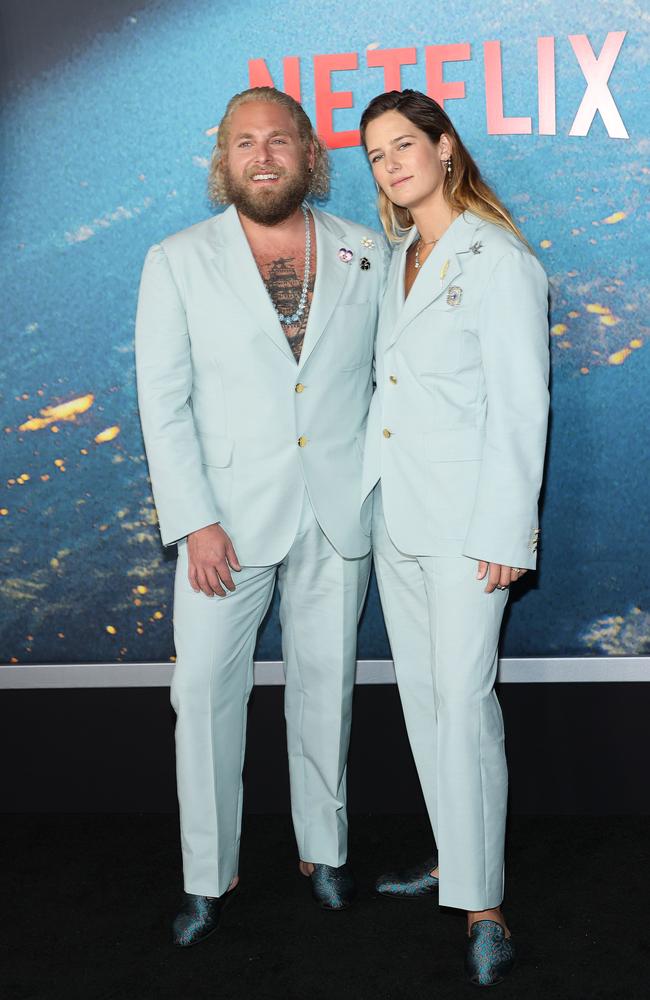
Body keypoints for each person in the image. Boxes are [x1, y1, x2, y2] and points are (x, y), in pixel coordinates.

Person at [135, 86, 387, 947]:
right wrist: (193, 521)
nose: (264, 154)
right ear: (225, 160)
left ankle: (326, 852)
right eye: (245, 142)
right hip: (223, 526)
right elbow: (162, 405)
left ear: (310, 153)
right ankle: (209, 876)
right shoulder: (176, 260)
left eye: (280, 139)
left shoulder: (366, 251)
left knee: (329, 687)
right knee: (203, 692)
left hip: (337, 509)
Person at [359, 89, 550, 986]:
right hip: (399, 515)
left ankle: (485, 907)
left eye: (403, 146)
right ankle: (453, 861)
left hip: (472, 529)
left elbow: (521, 406)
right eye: (374, 156)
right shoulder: (399, 254)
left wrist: (509, 528)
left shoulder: (499, 257)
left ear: (444, 149)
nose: (391, 165)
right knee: (427, 706)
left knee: (466, 708)